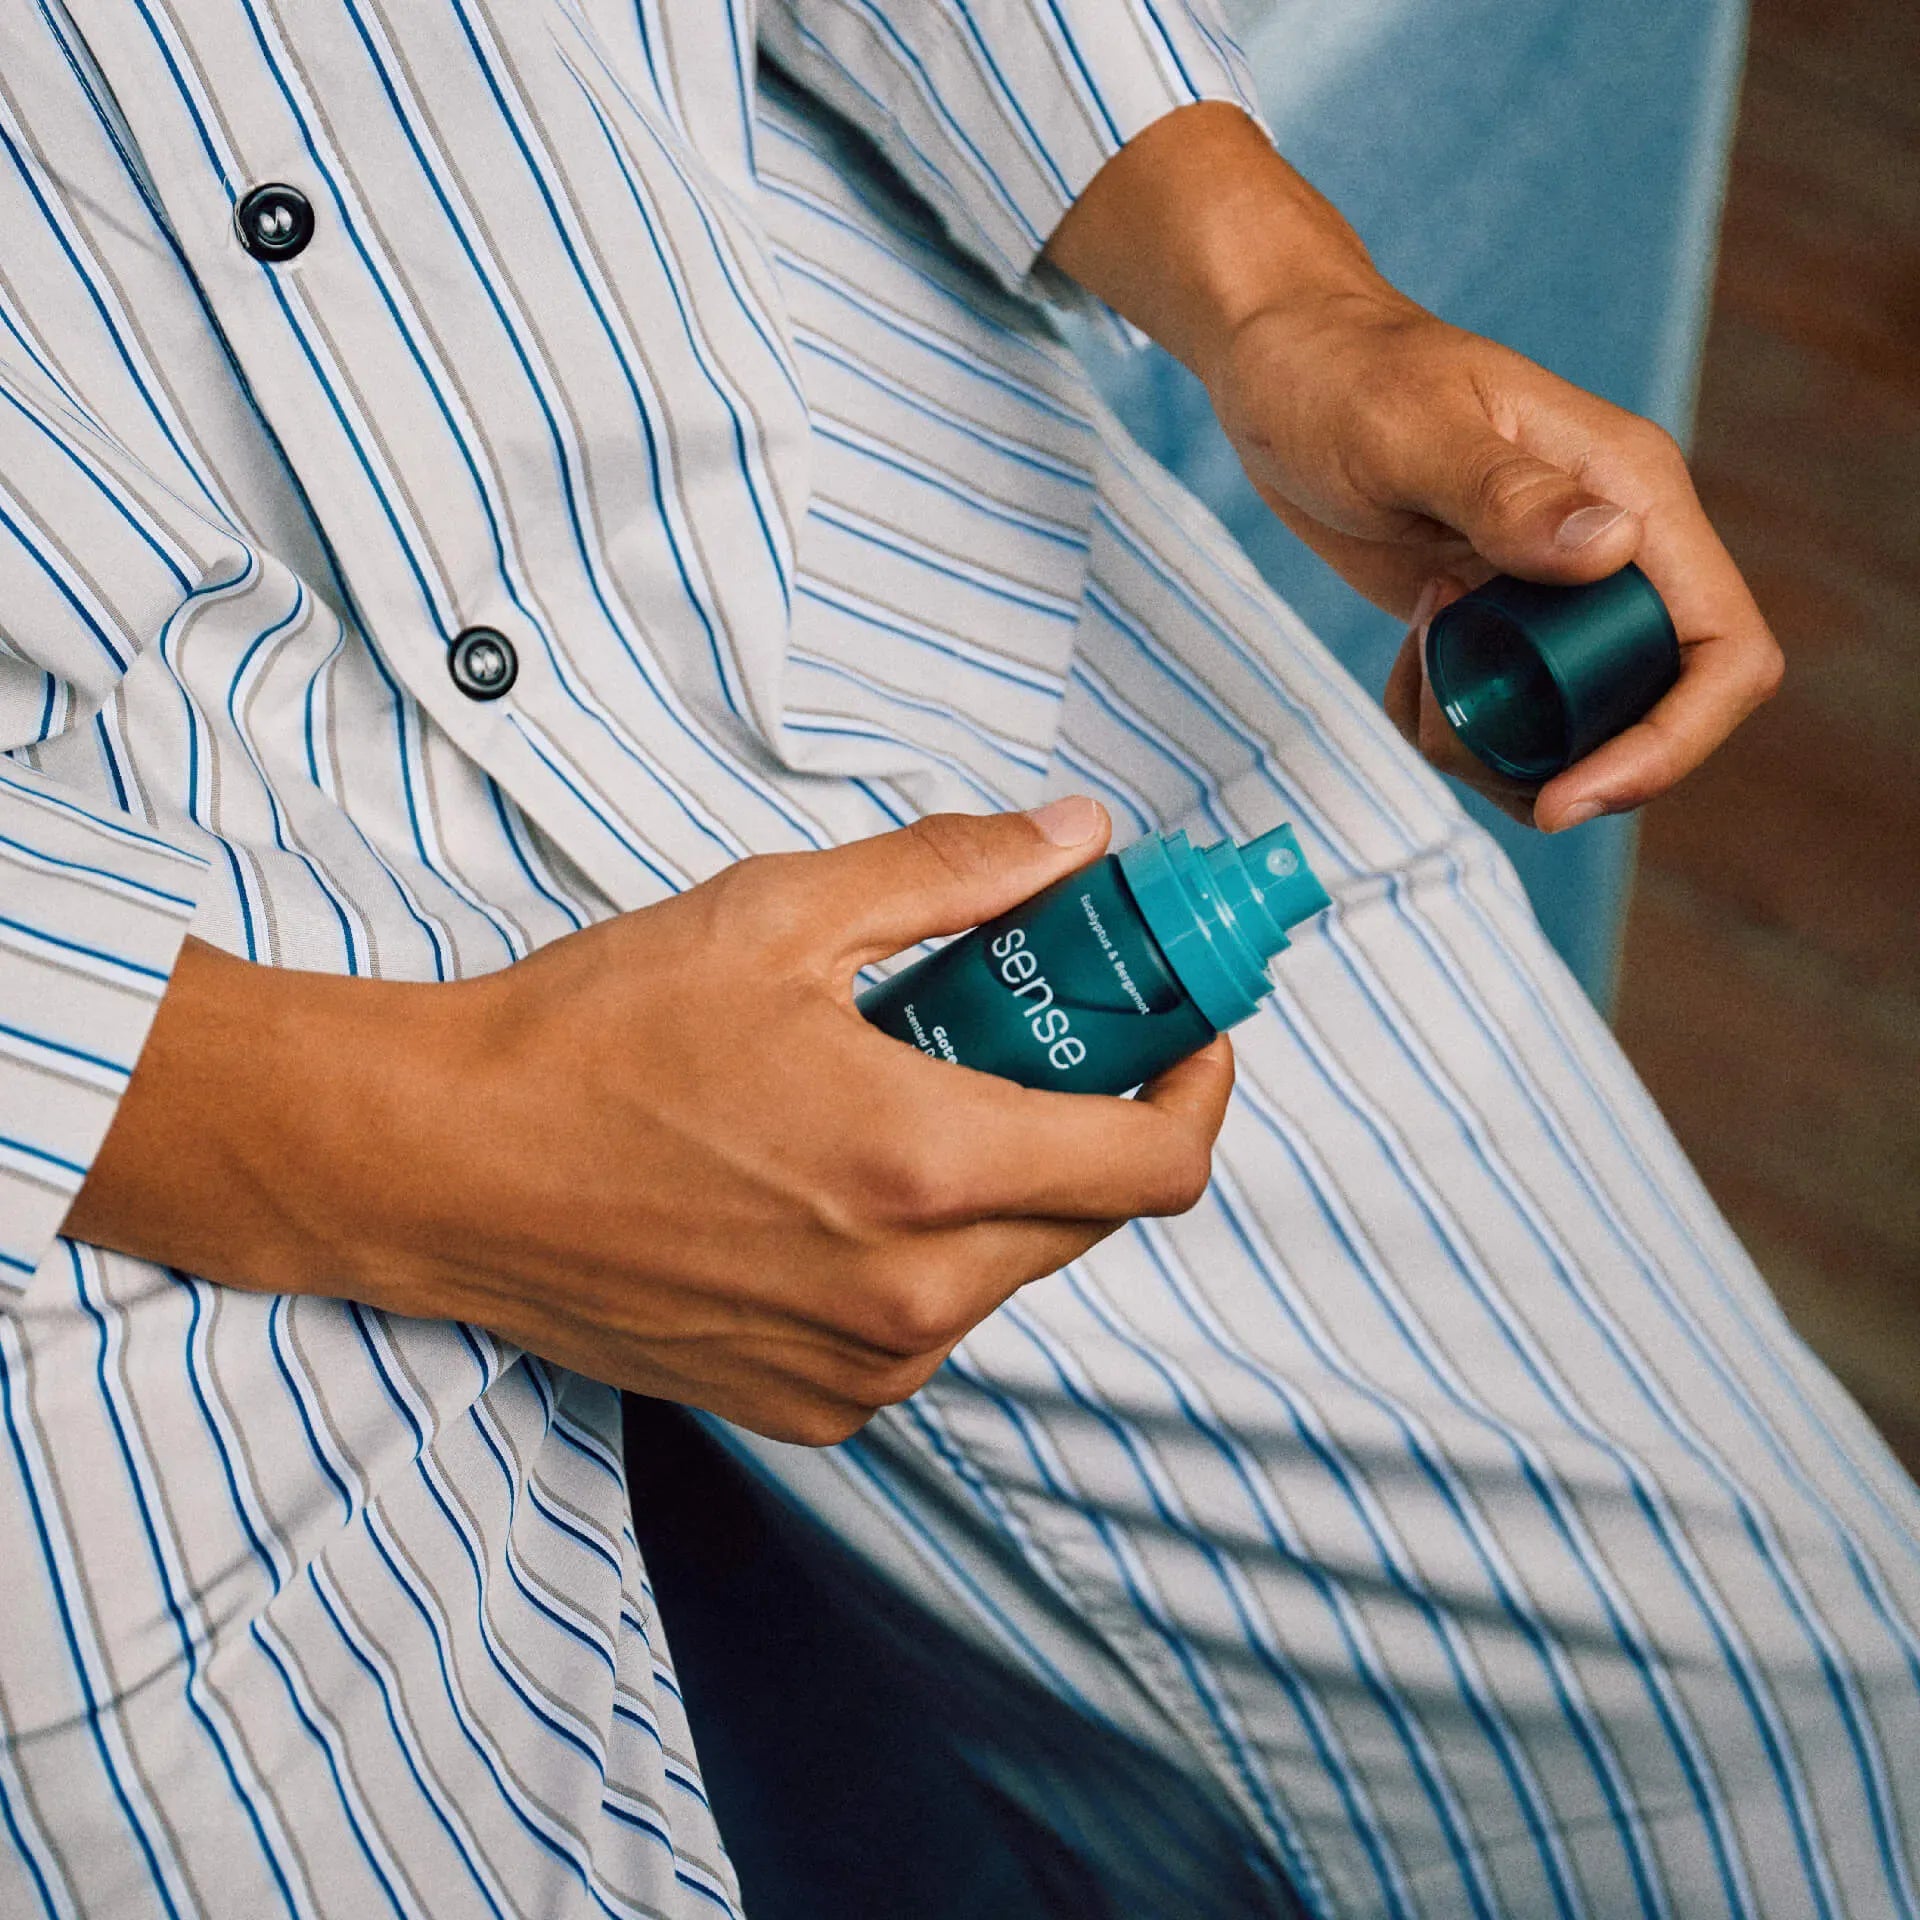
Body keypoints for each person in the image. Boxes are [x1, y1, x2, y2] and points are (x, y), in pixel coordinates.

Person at [1, 3, 1913, 1917]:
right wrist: (408, 1138)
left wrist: (1280, 294)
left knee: (1804, 1726)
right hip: (118, 1070)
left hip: (863, 564)